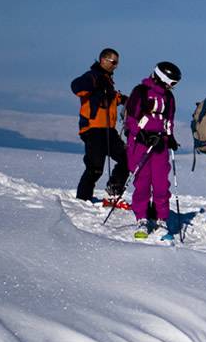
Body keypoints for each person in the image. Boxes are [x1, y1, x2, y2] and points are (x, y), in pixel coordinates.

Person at [123, 61, 182, 240]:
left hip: (159, 144)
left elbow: (169, 119)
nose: (172, 87)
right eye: (172, 83)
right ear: (162, 78)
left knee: (161, 184)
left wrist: (170, 136)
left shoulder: (169, 98)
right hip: (140, 144)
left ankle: (161, 219)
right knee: (142, 182)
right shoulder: (141, 92)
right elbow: (131, 118)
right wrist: (140, 135)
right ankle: (141, 218)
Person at [71, 48, 129, 205]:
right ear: (103, 60)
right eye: (113, 62)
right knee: (95, 168)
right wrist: (93, 84)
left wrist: (126, 100)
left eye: (117, 63)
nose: (116, 66)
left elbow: (112, 98)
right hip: (93, 128)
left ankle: (113, 193)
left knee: (128, 158)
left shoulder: (107, 80)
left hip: (108, 130)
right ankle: (82, 200)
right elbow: (76, 87)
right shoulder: (92, 76)